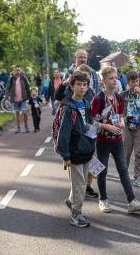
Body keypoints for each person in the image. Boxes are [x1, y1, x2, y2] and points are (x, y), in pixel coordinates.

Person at [91, 66, 140, 214]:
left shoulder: (119, 98)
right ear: (103, 81)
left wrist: (121, 123)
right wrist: (107, 127)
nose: (115, 80)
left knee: (123, 169)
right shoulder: (98, 99)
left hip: (117, 140)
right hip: (103, 141)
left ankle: (132, 201)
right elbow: (92, 123)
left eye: (116, 78)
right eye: (111, 78)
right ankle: (103, 200)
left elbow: (120, 117)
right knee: (102, 171)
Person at [57, 71, 96, 228]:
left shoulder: (86, 104)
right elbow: (64, 134)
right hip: (74, 152)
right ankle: (76, 214)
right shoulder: (68, 108)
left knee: (80, 183)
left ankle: (72, 201)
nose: (82, 87)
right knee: (79, 185)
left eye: (84, 84)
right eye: (78, 84)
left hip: (86, 150)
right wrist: (66, 155)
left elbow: (88, 125)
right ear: (72, 86)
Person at [122, 70, 140, 187]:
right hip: (127, 126)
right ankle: (124, 175)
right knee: (127, 152)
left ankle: (137, 177)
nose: (135, 83)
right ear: (128, 82)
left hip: (139, 125)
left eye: (137, 81)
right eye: (133, 81)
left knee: (139, 152)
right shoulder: (123, 94)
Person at [5, 66, 31, 133]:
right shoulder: (11, 79)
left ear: (20, 71)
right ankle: (18, 127)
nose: (18, 72)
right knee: (17, 113)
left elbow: (28, 88)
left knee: (24, 112)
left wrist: (29, 98)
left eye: (19, 70)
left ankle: (26, 126)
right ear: (14, 71)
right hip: (15, 99)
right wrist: (6, 99)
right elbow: (7, 89)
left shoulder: (23, 78)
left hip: (23, 99)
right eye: (16, 70)